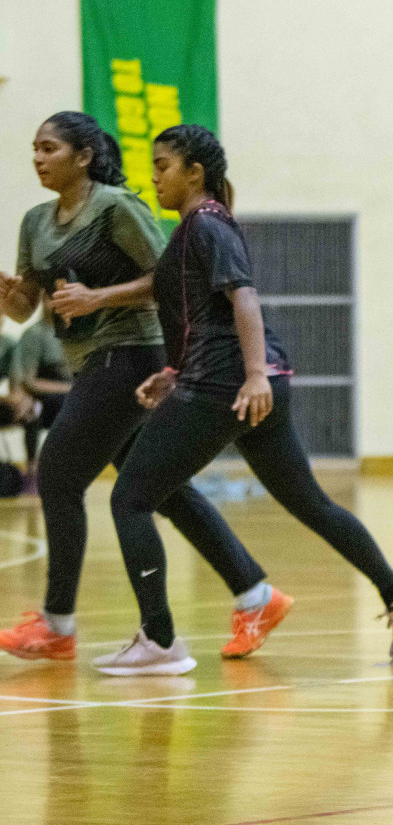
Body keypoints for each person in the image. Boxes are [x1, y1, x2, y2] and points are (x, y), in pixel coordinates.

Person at [94, 124, 393, 676]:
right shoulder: (192, 232)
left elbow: (244, 298)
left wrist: (252, 374)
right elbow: (180, 300)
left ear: (195, 174)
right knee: (309, 503)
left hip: (229, 383)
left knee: (131, 497)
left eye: (162, 166)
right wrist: (170, 369)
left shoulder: (207, 225)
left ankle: (159, 641)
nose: (154, 176)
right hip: (241, 380)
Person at [0, 112, 273, 663]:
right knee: (158, 488)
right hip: (91, 361)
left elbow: (168, 278)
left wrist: (98, 298)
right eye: (33, 149)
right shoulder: (34, 222)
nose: (37, 158)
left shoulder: (116, 208)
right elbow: (29, 307)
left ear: (82, 156)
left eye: (49, 148)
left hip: (132, 354)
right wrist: (10, 296)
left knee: (56, 473)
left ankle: (58, 623)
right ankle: (256, 593)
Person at [7, 319, 72, 478]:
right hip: (40, 400)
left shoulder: (76, 333)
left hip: (63, 396)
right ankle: (32, 471)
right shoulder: (34, 334)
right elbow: (24, 381)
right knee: (32, 411)